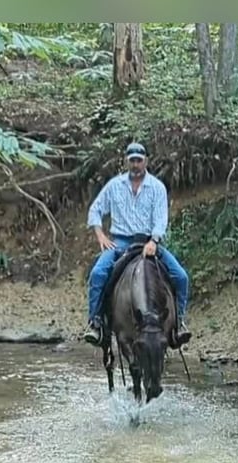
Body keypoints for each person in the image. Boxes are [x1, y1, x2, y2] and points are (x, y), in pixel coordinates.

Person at [82, 142, 192, 348]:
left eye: (138, 160)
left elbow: (161, 219)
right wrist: (100, 235)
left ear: (145, 161)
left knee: (181, 277)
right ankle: (95, 323)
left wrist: (154, 240)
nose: (135, 164)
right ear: (126, 161)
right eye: (131, 160)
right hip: (120, 242)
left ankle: (179, 324)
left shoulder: (157, 187)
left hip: (149, 242)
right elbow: (95, 210)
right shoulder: (114, 186)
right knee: (98, 274)